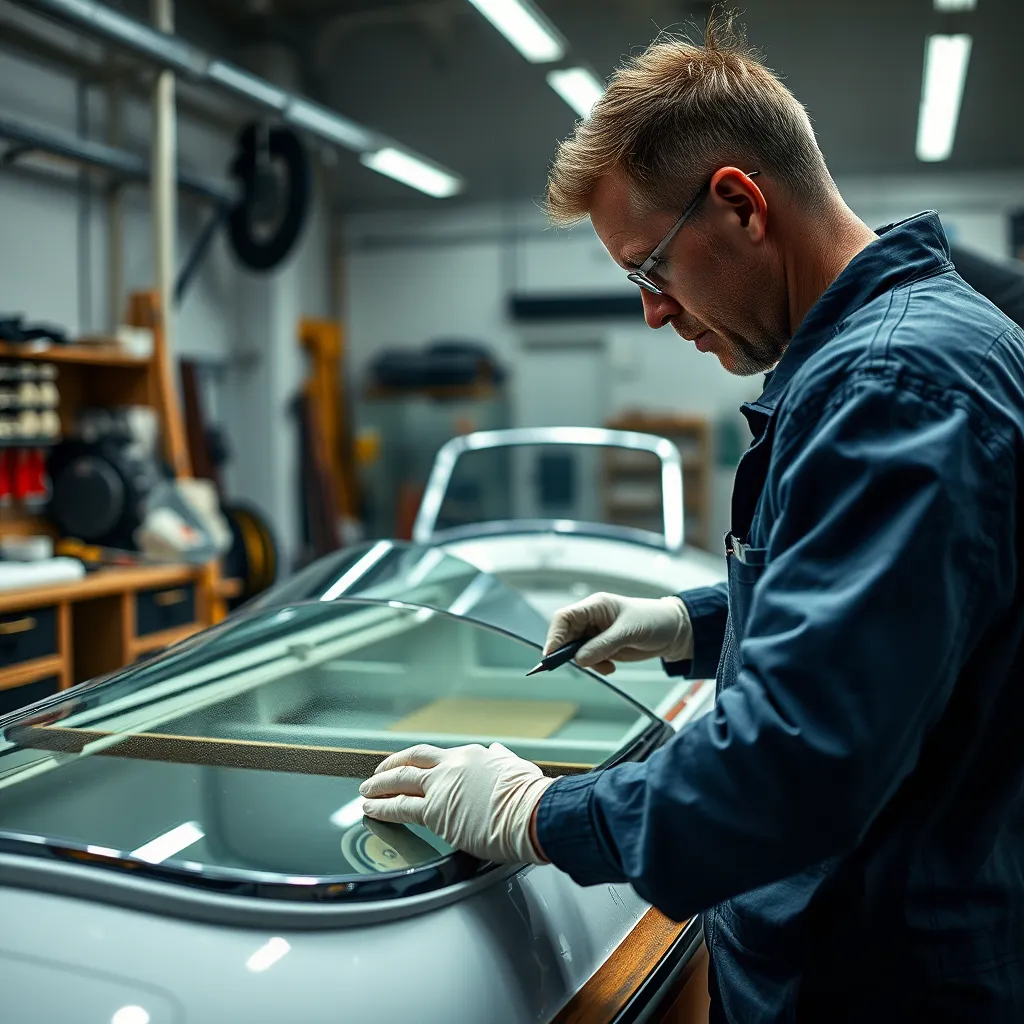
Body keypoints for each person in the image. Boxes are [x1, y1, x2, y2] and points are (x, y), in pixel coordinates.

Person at [359, 13, 1024, 1022]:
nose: (652, 313)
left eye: (647, 268)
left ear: (738, 204)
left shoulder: (891, 384)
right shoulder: (914, 346)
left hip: (878, 977)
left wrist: (534, 809)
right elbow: (897, 607)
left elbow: (796, 761)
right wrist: (690, 621)